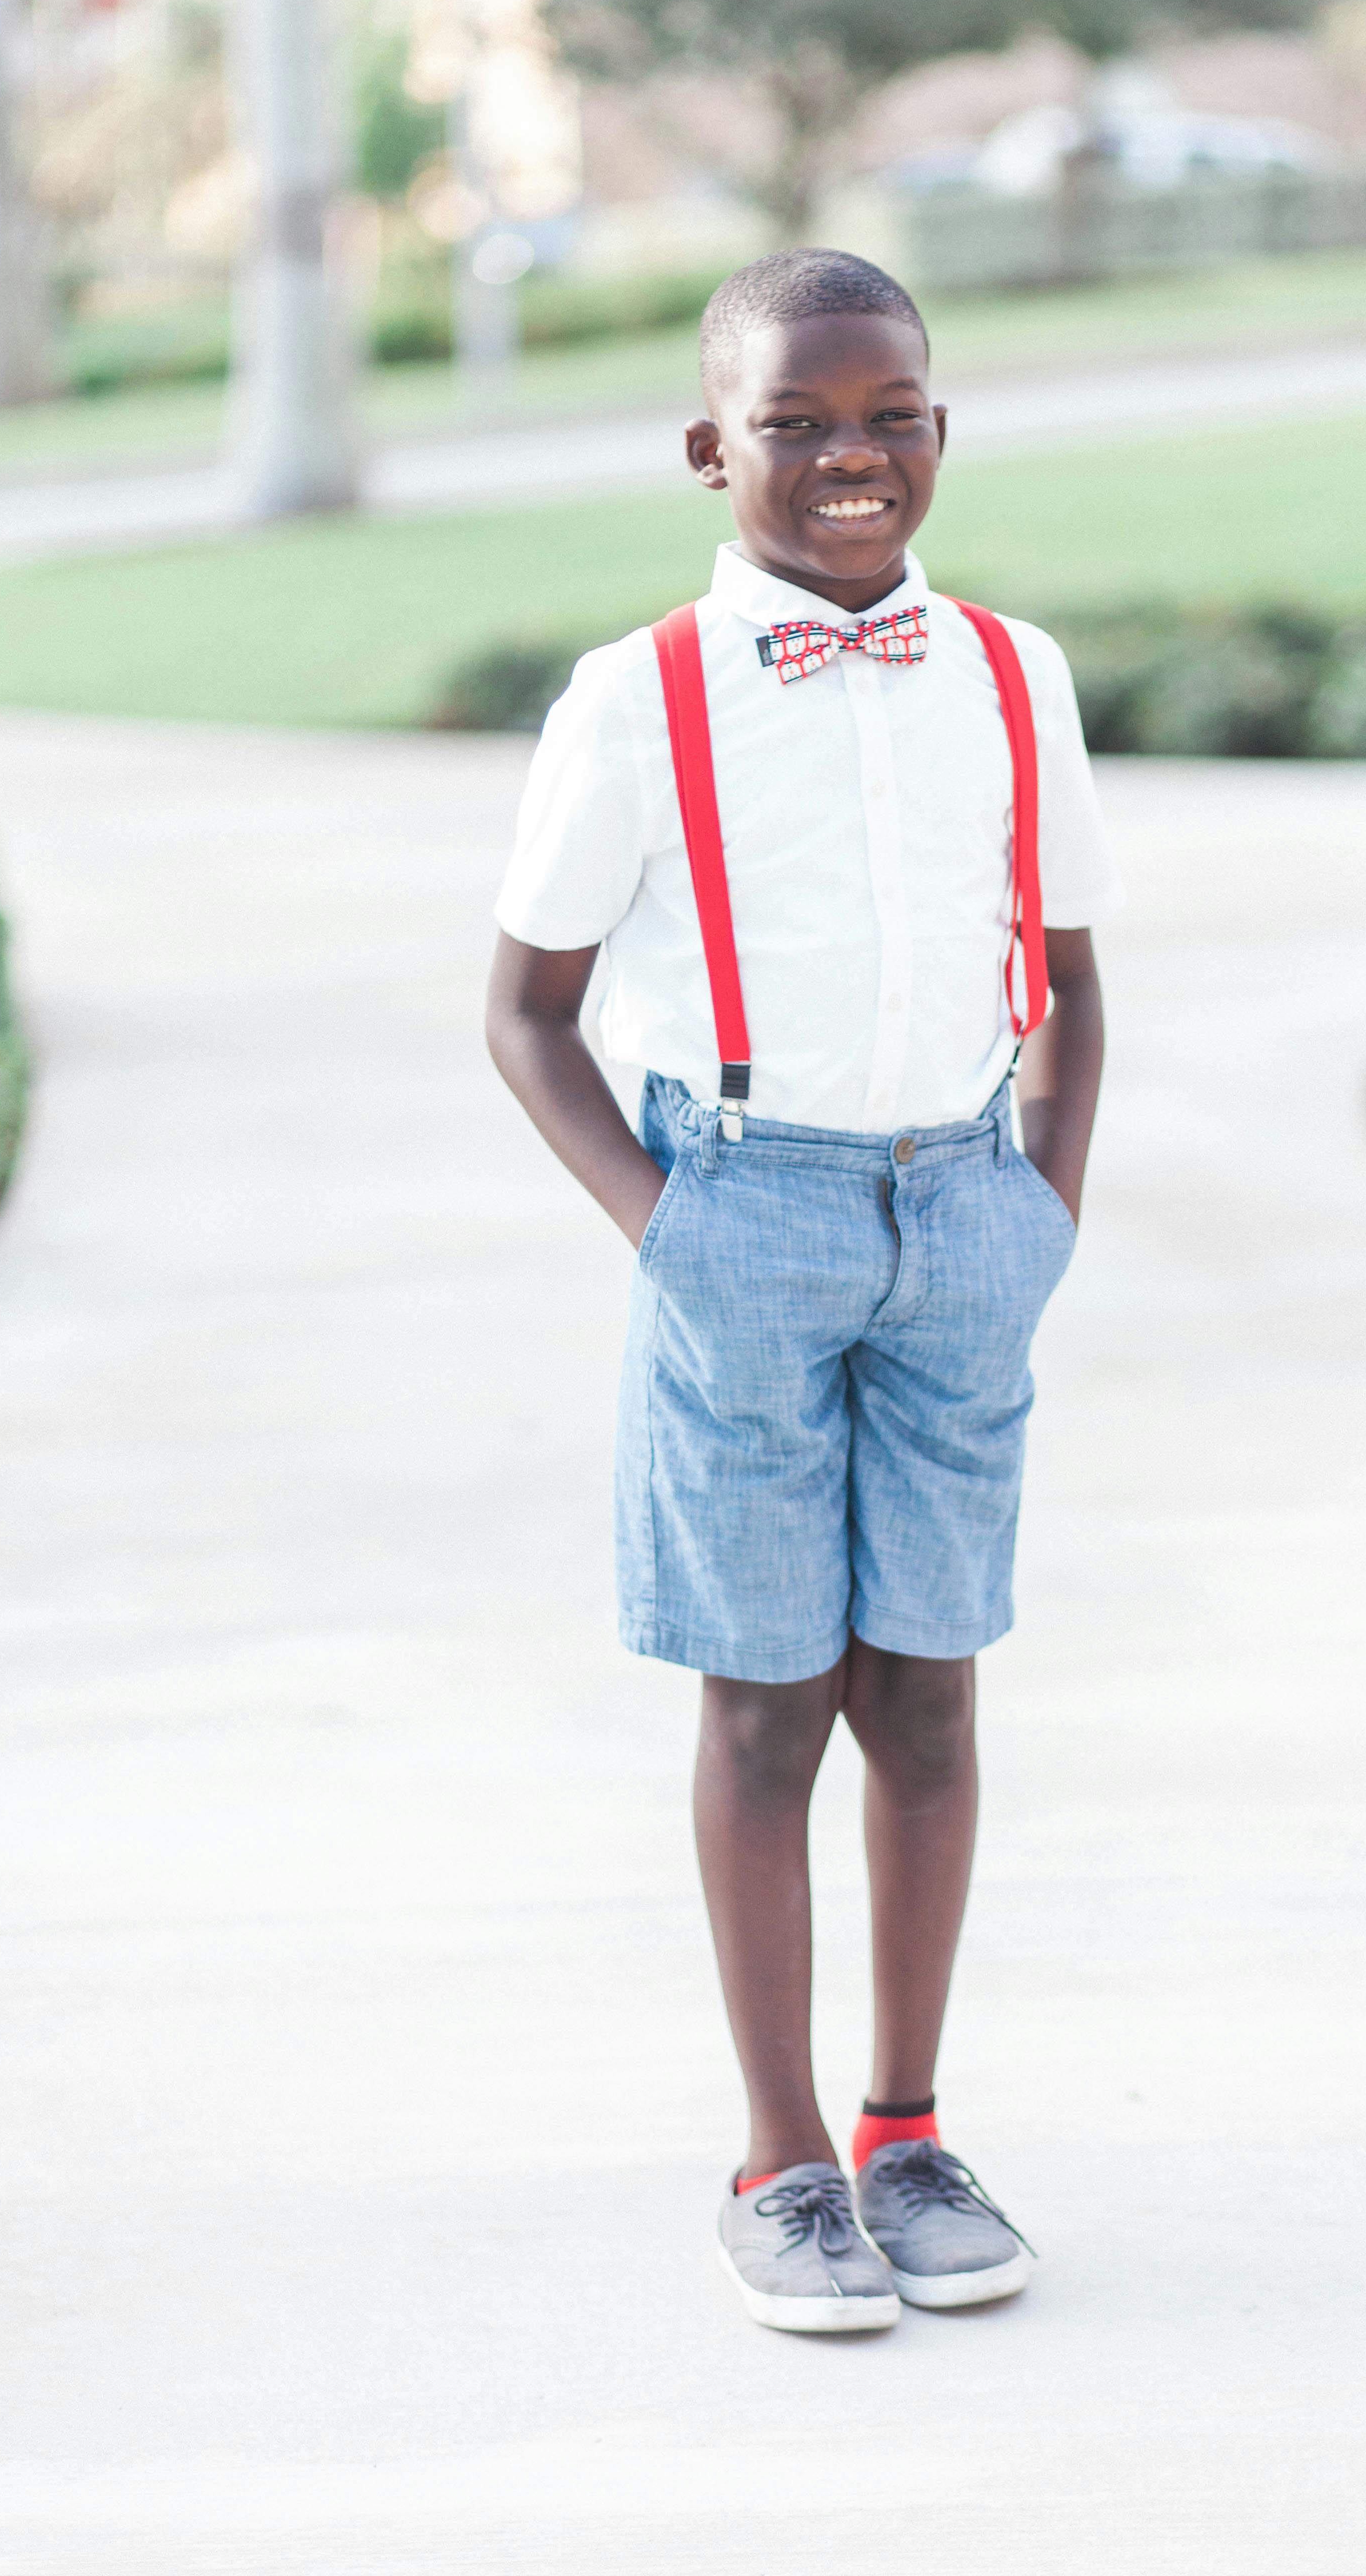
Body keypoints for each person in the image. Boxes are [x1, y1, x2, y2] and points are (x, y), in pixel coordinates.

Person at [485, 247, 1120, 2335]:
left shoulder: (1015, 673)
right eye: (798, 424)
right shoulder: (636, 697)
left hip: (962, 1214)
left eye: (891, 415)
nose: (853, 457)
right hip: (738, 1204)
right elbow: (527, 1011)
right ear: (711, 449)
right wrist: (667, 1226)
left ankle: (909, 2131)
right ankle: (779, 2163)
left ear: (941, 427)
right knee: (765, 1702)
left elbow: (1075, 969)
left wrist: (1045, 1202)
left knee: (928, 1687)